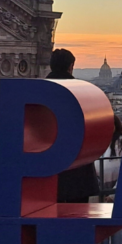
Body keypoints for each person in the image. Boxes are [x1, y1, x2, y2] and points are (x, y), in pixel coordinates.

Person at [47, 48, 103, 203]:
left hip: (45, 165)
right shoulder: (82, 91)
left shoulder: (38, 90)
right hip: (77, 170)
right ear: (71, 66)